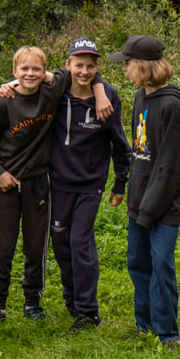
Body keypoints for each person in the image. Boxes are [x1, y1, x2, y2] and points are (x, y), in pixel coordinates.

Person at [0, 45, 111, 332]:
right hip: (8, 184)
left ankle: (32, 303)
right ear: (14, 72)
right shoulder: (3, 102)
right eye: (24, 69)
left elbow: (86, 71)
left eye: (36, 69)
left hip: (40, 182)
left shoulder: (53, 90)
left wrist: (99, 91)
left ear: (46, 72)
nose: (30, 74)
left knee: (36, 247)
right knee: (4, 246)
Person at [109, 35, 180, 348]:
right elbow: (139, 153)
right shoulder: (140, 98)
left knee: (161, 265)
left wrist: (150, 208)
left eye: (128, 63)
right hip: (140, 200)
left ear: (144, 65)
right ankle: (144, 324)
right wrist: (132, 195)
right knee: (138, 262)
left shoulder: (171, 105)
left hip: (164, 205)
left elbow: (173, 162)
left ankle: (167, 333)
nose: (125, 69)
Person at [48, 38, 130, 330]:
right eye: (78, 65)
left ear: (97, 69)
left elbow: (120, 143)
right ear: (67, 64)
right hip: (57, 183)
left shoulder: (108, 98)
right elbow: (28, 77)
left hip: (89, 185)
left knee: (80, 243)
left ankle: (87, 311)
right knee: (61, 245)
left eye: (91, 66)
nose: (84, 71)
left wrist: (120, 182)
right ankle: (71, 301)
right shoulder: (55, 94)